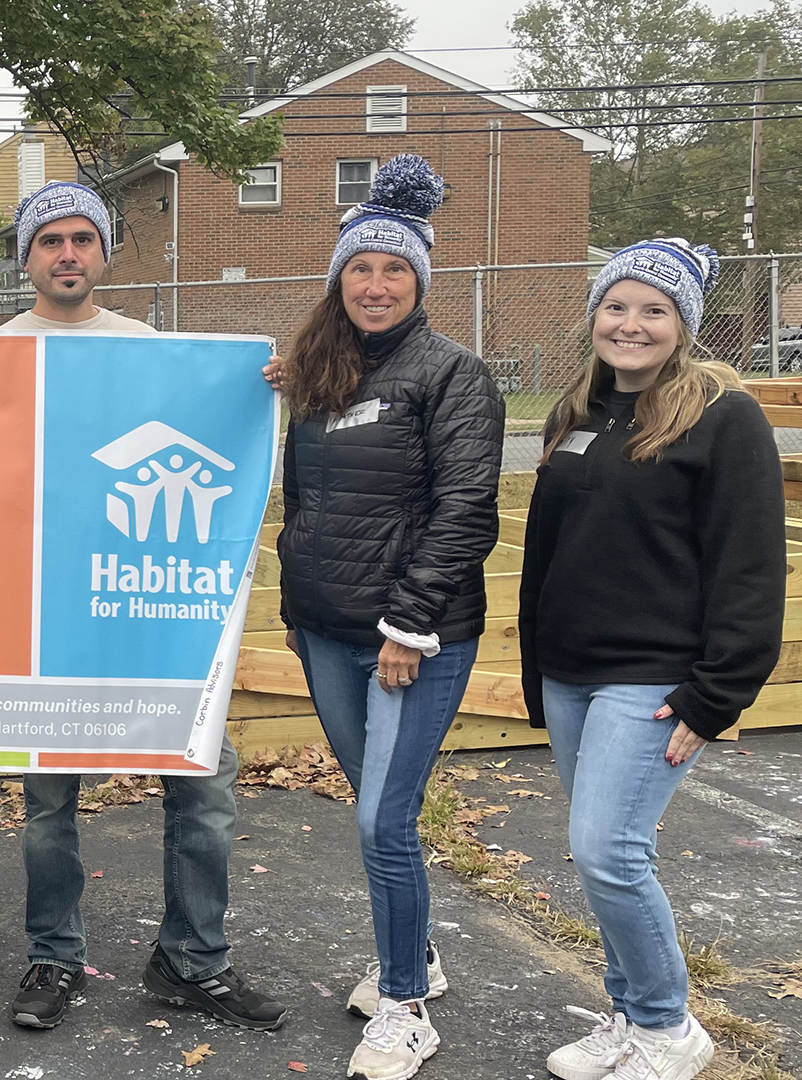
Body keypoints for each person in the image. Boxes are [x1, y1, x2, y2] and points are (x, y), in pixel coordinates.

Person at [0, 181, 287, 1033]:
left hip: (146, 609)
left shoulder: (148, 347)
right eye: (50, 241)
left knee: (202, 782)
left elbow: (206, 426)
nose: (67, 254)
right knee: (49, 801)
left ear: (104, 252)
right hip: (48, 614)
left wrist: (256, 387)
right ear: (28, 258)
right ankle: (53, 955)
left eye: (83, 239)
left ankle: (193, 961)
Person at [521, 239, 782, 1080]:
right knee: (602, 852)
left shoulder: (723, 415)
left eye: (654, 310)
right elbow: (544, 552)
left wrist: (718, 694)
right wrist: (537, 669)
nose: (631, 324)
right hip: (570, 674)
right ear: (595, 313)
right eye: (617, 306)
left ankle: (669, 1026)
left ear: (684, 326)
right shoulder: (581, 410)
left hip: (655, 678)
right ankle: (629, 1015)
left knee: (609, 850)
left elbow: (750, 561)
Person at [272, 154, 505, 1080]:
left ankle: (406, 1004)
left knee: (382, 822)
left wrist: (407, 629)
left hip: (412, 640)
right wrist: (296, 608)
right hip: (324, 631)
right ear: (339, 280)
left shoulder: (454, 374)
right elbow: (308, 500)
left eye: (395, 270)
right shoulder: (319, 373)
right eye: (361, 269)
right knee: (379, 812)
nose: (376, 284)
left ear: (420, 282)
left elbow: (465, 511)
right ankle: (424, 956)